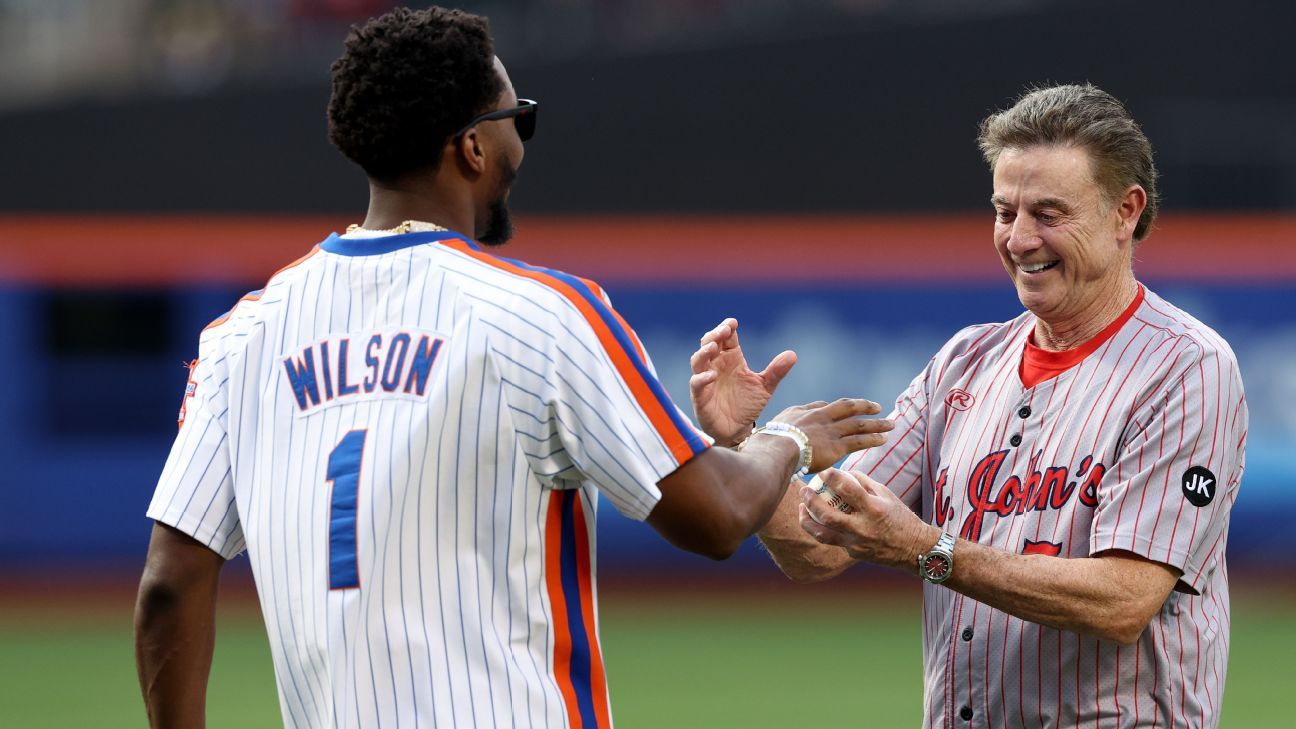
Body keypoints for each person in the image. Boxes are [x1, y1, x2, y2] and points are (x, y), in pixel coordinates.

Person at [131, 6, 894, 729]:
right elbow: (718, 519)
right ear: (470, 147)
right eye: (515, 120)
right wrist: (783, 440)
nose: (519, 146)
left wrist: (719, 446)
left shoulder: (242, 334)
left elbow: (169, 584)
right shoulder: (541, 311)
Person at [690, 84, 1246, 728]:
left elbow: (1123, 602)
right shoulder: (964, 361)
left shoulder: (1187, 367)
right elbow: (820, 546)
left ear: (1125, 212)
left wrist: (929, 549)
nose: (1019, 239)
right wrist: (740, 442)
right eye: (1004, 211)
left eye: (1048, 213)